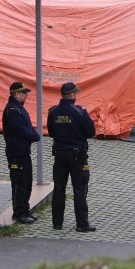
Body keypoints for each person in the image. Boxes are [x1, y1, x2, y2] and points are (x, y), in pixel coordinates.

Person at [47, 82, 97, 232]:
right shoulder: (79, 112)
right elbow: (91, 132)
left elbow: (51, 132)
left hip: (60, 154)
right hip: (77, 156)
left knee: (59, 188)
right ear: (72, 94)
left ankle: (57, 223)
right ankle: (81, 224)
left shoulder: (53, 112)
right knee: (79, 188)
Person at [2, 81, 41, 224]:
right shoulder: (12, 110)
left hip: (23, 152)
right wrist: (34, 136)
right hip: (16, 153)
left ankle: (24, 208)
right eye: (24, 93)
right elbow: (21, 130)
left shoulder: (19, 108)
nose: (26, 96)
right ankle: (18, 212)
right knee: (19, 183)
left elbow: (27, 127)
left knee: (27, 182)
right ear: (17, 94)